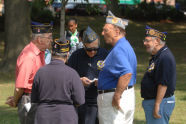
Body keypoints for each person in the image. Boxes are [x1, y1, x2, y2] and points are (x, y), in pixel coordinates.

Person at [5, 22, 53, 124]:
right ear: (39, 40)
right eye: (49, 38)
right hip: (29, 100)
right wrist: (15, 101)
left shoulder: (40, 53)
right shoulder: (28, 56)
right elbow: (20, 87)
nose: (51, 40)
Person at [31, 38, 85, 124]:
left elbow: (34, 98)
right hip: (66, 117)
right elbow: (80, 100)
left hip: (43, 117)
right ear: (67, 55)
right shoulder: (72, 73)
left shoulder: (40, 72)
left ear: (52, 53)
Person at [97, 11, 137, 124]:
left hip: (114, 99)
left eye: (106, 30)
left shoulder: (119, 50)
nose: (102, 33)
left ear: (116, 32)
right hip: (126, 95)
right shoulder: (125, 46)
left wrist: (117, 95)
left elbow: (126, 73)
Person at [68, 26, 108, 124]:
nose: (93, 52)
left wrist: (103, 81)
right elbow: (68, 77)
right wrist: (79, 80)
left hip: (102, 98)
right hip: (82, 100)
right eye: (89, 50)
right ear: (84, 45)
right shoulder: (76, 56)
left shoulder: (105, 54)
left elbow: (113, 75)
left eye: (95, 49)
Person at [141, 26, 176, 124]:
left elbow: (163, 84)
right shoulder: (158, 56)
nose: (144, 43)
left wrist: (157, 105)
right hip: (157, 101)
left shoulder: (164, 57)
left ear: (156, 41)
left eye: (147, 41)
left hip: (160, 102)